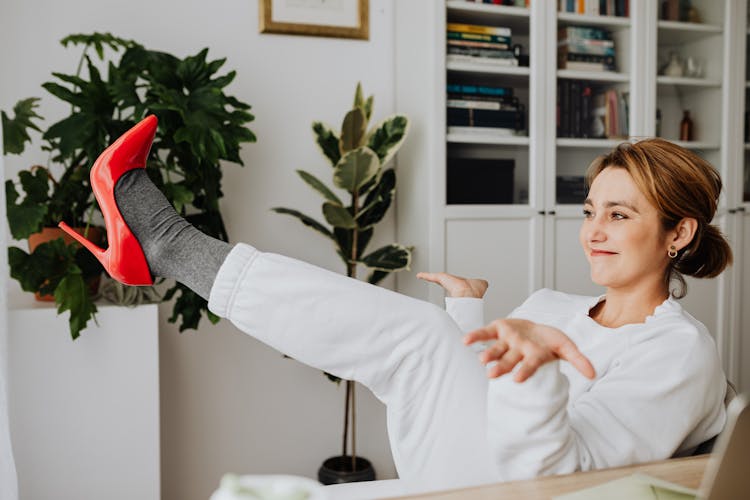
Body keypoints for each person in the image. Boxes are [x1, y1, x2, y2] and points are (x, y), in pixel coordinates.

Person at [60, 116, 732, 494]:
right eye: (591, 211)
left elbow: (567, 478)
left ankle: (171, 247)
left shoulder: (678, 351)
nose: (593, 230)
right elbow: (480, 392)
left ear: (679, 232)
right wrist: (472, 319)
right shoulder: (553, 304)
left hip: (528, 491)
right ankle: (170, 249)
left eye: (619, 215)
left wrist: (531, 367)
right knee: (429, 335)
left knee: (419, 338)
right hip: (478, 459)